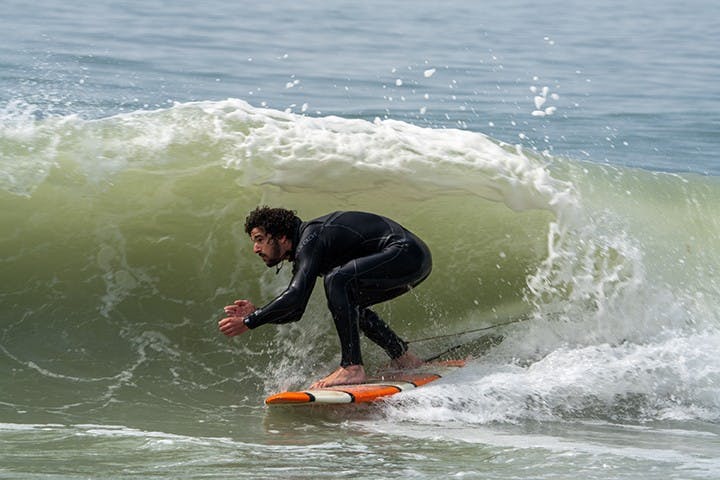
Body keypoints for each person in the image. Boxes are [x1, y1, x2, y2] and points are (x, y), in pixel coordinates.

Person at [218, 206, 432, 388]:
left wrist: (249, 321)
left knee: (336, 280)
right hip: (413, 259)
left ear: (281, 236)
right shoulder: (307, 247)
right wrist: (258, 313)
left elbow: (294, 296)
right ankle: (404, 359)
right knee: (349, 303)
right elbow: (295, 309)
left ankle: (351, 367)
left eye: (259, 239)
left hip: (406, 253)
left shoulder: (312, 237)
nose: (256, 249)